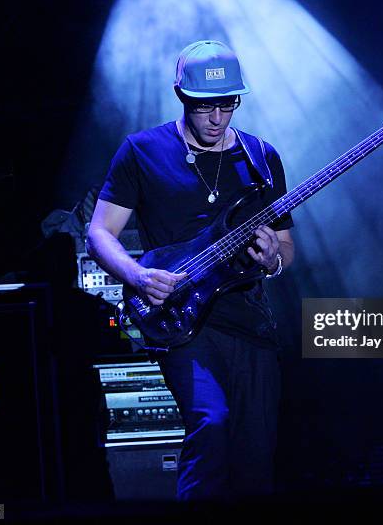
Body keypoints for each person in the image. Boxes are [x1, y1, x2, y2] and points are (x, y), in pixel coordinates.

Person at [86, 40, 294, 500]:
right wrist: (138, 277)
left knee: (256, 457)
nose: (217, 118)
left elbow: (284, 247)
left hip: (248, 321)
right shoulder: (141, 151)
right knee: (211, 425)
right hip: (181, 319)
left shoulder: (261, 158)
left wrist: (271, 259)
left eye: (227, 105)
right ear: (182, 96)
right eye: (205, 107)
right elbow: (100, 233)